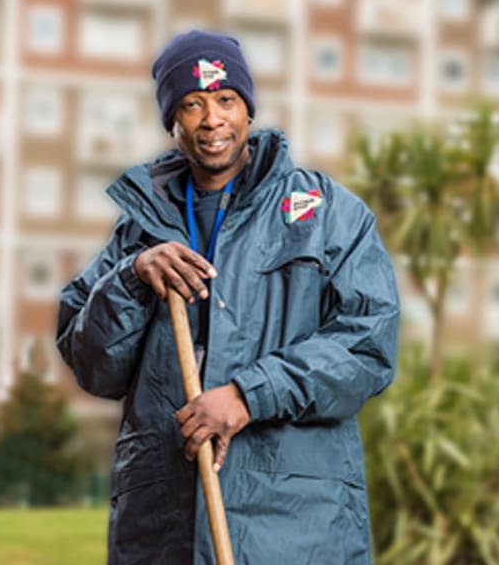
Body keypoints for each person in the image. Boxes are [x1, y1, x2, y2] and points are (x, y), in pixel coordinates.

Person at [56, 29, 399, 564]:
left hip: (296, 531)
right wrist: (132, 277)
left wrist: (248, 394)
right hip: (161, 530)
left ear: (248, 110)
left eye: (226, 100)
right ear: (173, 120)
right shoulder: (138, 233)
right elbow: (94, 368)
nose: (212, 119)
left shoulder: (327, 212)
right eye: (192, 104)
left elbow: (368, 344)